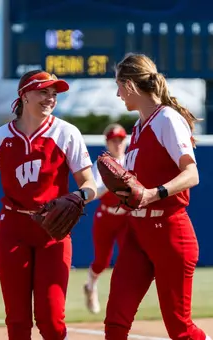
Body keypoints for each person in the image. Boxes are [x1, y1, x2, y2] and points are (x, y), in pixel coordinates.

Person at [0, 70, 97, 340]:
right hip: (14, 228)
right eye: (43, 92)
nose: (50, 98)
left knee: (51, 319)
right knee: (17, 319)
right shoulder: (0, 138)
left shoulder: (66, 133)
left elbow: (89, 184)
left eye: (54, 94)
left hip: (53, 231)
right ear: (24, 95)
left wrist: (77, 197)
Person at [103, 53, 212, 340]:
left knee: (180, 328)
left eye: (118, 86)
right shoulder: (138, 128)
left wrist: (155, 193)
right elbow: (134, 186)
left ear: (130, 85)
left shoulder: (167, 119)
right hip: (138, 233)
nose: (117, 93)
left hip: (169, 232)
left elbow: (192, 174)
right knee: (115, 322)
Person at [83, 123, 129, 315]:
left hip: (126, 217)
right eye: (113, 140)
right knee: (102, 261)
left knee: (129, 260)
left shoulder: (131, 160)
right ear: (107, 142)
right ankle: (90, 286)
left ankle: (122, 301)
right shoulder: (103, 163)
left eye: (120, 140)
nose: (117, 144)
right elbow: (97, 189)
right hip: (106, 216)